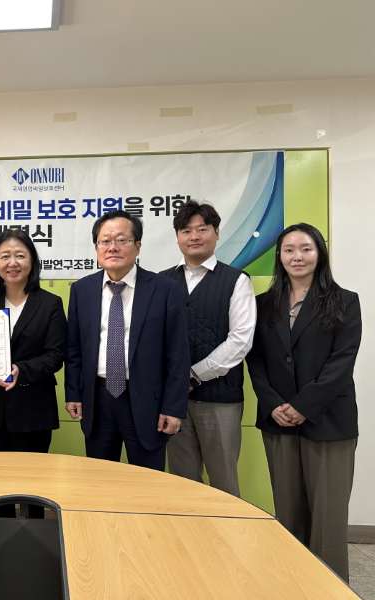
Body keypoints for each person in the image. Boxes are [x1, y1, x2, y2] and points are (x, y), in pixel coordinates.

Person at [246, 223, 360, 581]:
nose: (297, 256)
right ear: (280, 256)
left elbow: (341, 362)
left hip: (328, 422)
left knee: (328, 518)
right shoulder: (263, 304)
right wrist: (274, 404)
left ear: (319, 253)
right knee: (288, 513)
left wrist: (302, 406)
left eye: (306, 248)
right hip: (278, 420)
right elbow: (255, 361)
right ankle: (293, 583)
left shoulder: (345, 301)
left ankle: (329, 586)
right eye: (289, 249)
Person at [65, 210, 190, 470]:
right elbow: (74, 349)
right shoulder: (82, 290)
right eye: (105, 241)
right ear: (96, 248)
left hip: (147, 401)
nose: (113, 247)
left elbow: (178, 354)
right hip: (97, 399)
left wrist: (173, 407)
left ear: (138, 246)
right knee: (100, 477)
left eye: (122, 240)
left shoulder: (165, 289)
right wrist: (74, 393)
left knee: (147, 480)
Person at [160, 200, 256, 496]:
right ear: (177, 237)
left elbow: (240, 340)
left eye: (202, 229)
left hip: (220, 401)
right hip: (173, 403)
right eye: (186, 230)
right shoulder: (161, 282)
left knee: (224, 483)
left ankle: (227, 529)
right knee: (182, 482)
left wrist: (193, 375)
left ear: (216, 233)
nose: (194, 236)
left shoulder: (236, 280)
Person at [0, 229, 66, 456]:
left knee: (32, 475)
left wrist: (20, 370)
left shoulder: (50, 304)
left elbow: (55, 356)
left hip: (34, 410)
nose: (12, 263)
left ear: (32, 260)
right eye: (5, 256)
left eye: (20, 255)